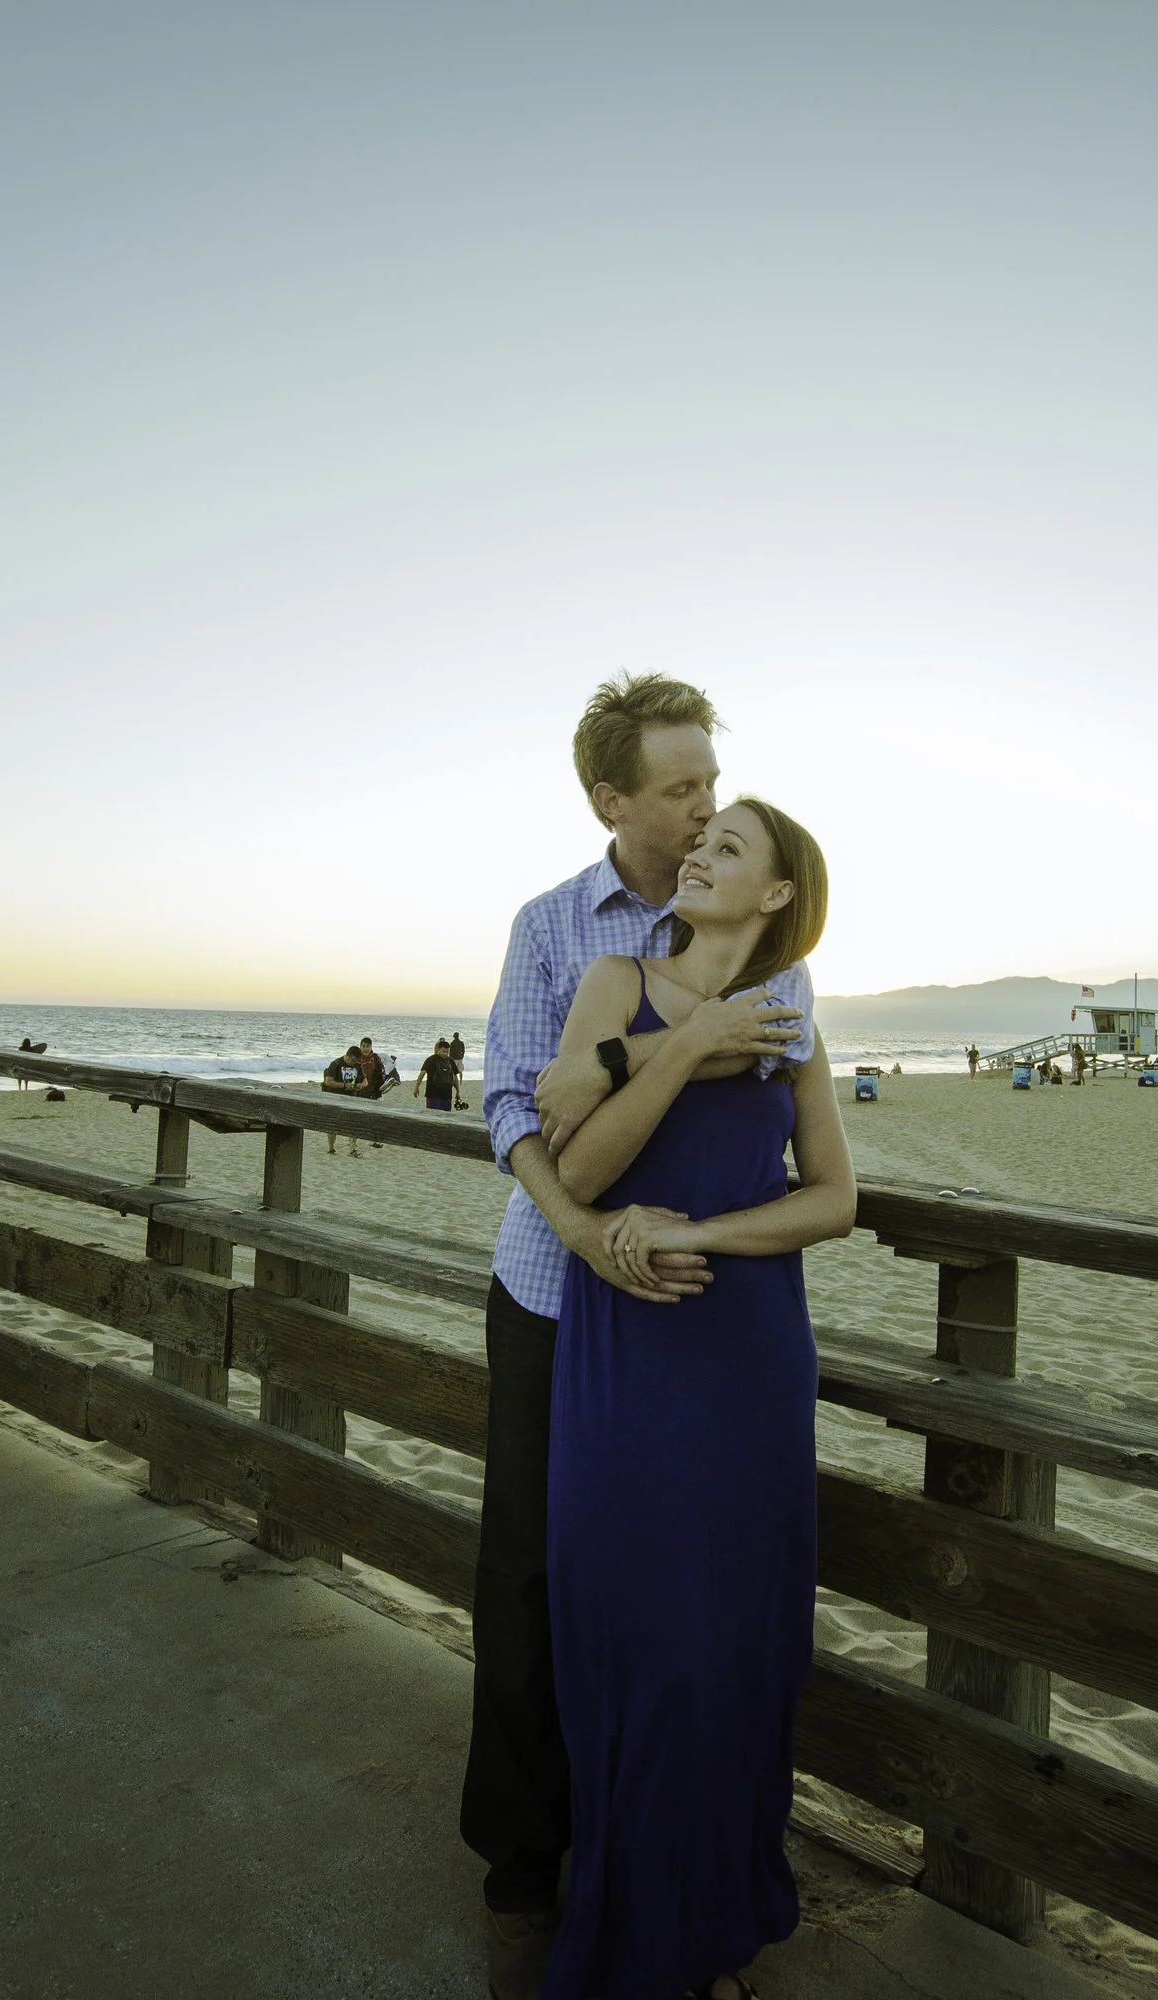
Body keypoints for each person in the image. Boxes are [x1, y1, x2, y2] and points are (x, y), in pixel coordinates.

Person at [468, 675, 814, 2000]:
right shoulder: (557, 929)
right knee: (532, 1585)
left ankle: (668, 1880)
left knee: (677, 1605)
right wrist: (583, 1225)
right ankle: (522, 1875)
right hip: (553, 1294)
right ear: (612, 801)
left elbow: (774, 1062)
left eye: (711, 786)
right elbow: (519, 1104)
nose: (703, 809)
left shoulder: (760, 945)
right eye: (680, 790)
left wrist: (644, 1053)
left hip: (691, 1320)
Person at [534, 797, 850, 2000]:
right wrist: (681, 1043)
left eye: (729, 847)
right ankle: (628, 1943)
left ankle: (711, 1934)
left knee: (732, 1645)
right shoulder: (615, 982)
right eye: (698, 839)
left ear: (776, 894)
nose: (697, 853)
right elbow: (575, 1171)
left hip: (748, 1350)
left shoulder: (792, 1017)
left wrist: (699, 1233)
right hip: (628, 1340)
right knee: (642, 1639)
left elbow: (832, 1196)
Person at [420, 1038, 460, 1112]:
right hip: (433, 1094)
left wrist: (458, 1091)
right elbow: (422, 1073)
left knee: (446, 1116)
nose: (445, 1054)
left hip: (447, 1095)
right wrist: (416, 1087)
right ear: (439, 1049)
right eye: (443, 1051)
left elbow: (455, 1077)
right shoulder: (431, 1060)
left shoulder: (450, 1061)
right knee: (433, 1115)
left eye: (447, 1052)